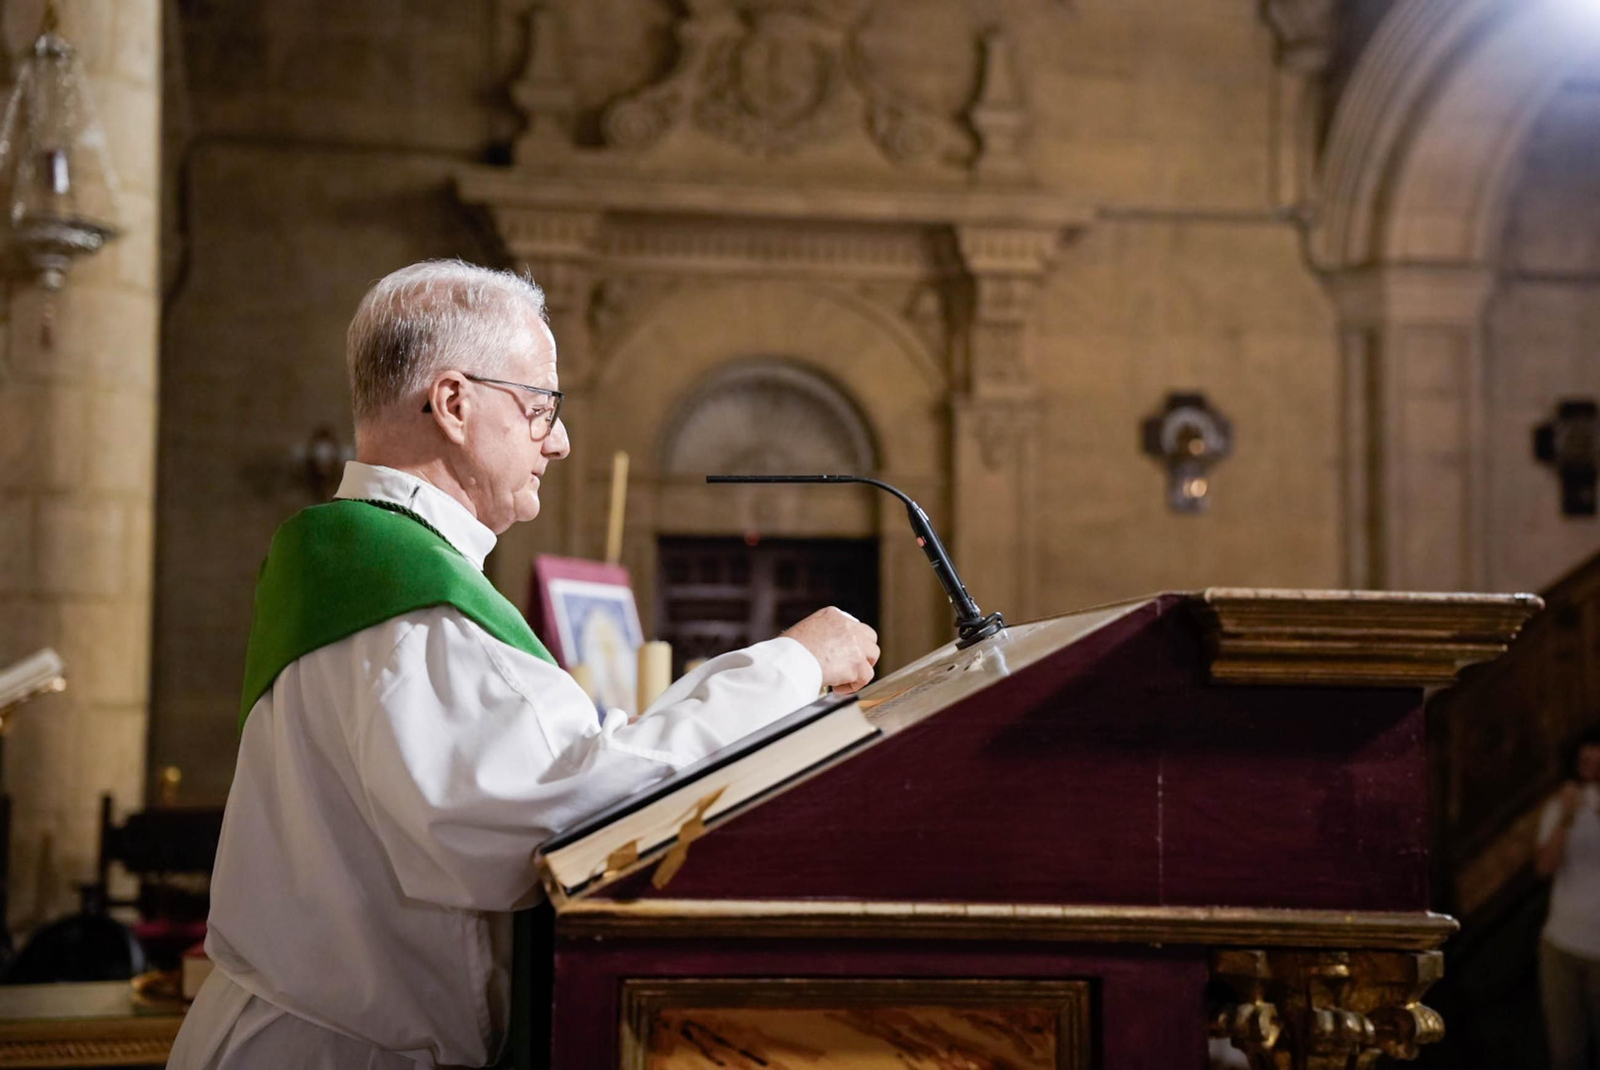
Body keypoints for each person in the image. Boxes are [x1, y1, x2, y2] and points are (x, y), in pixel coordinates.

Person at [168, 260, 880, 1069]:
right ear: (454, 403)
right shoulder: (407, 602)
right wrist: (790, 665)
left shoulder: (350, 564)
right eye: (541, 405)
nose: (561, 438)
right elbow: (566, 809)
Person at [1535, 725, 1600, 1070]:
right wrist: (1567, 817)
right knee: (1567, 1054)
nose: (1589, 760)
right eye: (1585, 753)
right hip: (1562, 944)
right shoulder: (1560, 806)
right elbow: (1544, 867)